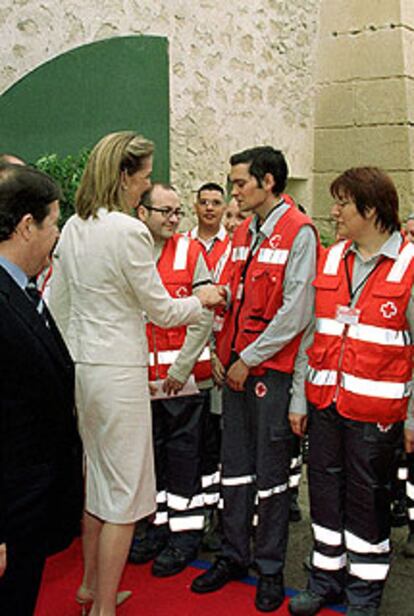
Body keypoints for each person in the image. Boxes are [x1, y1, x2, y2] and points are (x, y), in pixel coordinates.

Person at [49, 131, 223, 616]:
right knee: (124, 497)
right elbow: (164, 311)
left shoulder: (75, 228)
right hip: (119, 372)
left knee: (98, 483)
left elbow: (56, 309)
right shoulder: (127, 231)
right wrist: (203, 300)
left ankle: (88, 587)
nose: (144, 188)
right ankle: (103, 607)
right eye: (144, 178)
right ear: (124, 176)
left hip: (84, 371)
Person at [191, 145, 317, 613]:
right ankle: (233, 555)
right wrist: (220, 354)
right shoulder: (242, 231)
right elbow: (232, 295)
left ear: (268, 182)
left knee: (270, 476)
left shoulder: (299, 232)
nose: (232, 192)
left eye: (240, 183)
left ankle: (269, 567)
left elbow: (296, 312)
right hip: (235, 372)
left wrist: (247, 357)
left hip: (270, 375)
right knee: (236, 469)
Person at [289, 167, 414, 616]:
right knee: (323, 493)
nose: (335, 211)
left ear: (372, 209)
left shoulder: (409, 266)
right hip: (326, 406)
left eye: (343, 203)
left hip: (375, 414)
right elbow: (310, 336)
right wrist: (300, 398)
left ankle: (364, 591)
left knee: (366, 503)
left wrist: (413, 420)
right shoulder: (329, 258)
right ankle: (325, 578)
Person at [0, 163, 83, 615]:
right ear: (27, 226)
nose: (58, 236)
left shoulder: (24, 292)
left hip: (28, 512)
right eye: (54, 223)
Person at [129, 183, 214, 575]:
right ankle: (157, 527)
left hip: (183, 381)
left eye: (178, 211)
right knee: (153, 458)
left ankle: (185, 537)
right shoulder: (131, 252)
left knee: (184, 460)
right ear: (142, 212)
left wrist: (180, 369)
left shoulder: (191, 251)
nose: (173, 219)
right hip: (142, 382)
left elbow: (204, 313)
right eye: (165, 211)